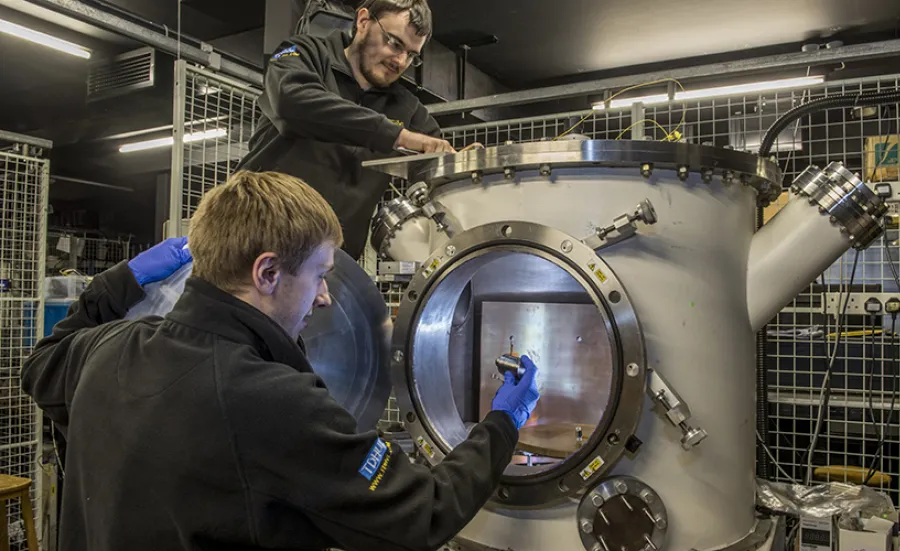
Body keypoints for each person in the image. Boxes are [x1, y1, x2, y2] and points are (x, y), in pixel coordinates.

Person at [22, 171, 540, 551]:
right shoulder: (272, 400)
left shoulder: (106, 347)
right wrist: (503, 421)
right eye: (319, 275)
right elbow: (425, 513)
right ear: (267, 273)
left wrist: (124, 279)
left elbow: (40, 363)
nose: (325, 298)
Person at [236, 0, 455, 261]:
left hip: (329, 265)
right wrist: (394, 134)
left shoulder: (408, 110)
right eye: (394, 43)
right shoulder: (304, 55)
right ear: (363, 21)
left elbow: (436, 167)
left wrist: (465, 166)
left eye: (411, 55)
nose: (400, 61)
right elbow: (291, 100)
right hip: (251, 242)